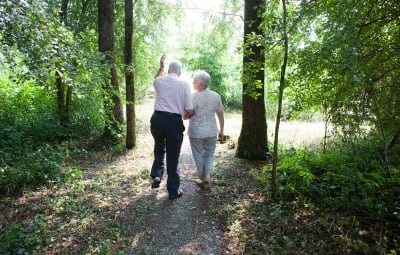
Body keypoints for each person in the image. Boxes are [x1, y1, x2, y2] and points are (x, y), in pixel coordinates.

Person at [150, 55, 193, 199]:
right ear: (179, 73)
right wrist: (186, 116)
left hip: (157, 119)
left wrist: (161, 67)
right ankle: (173, 190)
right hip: (173, 121)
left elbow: (156, 79)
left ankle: (157, 174)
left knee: (159, 146)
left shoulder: (160, 81)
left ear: (168, 70)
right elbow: (189, 109)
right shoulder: (185, 84)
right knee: (173, 154)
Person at [188, 70, 224, 190]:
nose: (193, 83)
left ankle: (203, 179)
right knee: (209, 154)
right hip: (211, 131)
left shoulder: (192, 97)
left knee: (198, 155)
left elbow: (188, 114)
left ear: (201, 84)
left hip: (196, 132)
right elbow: (220, 114)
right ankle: (207, 176)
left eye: (195, 81)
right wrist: (221, 130)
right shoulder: (216, 96)